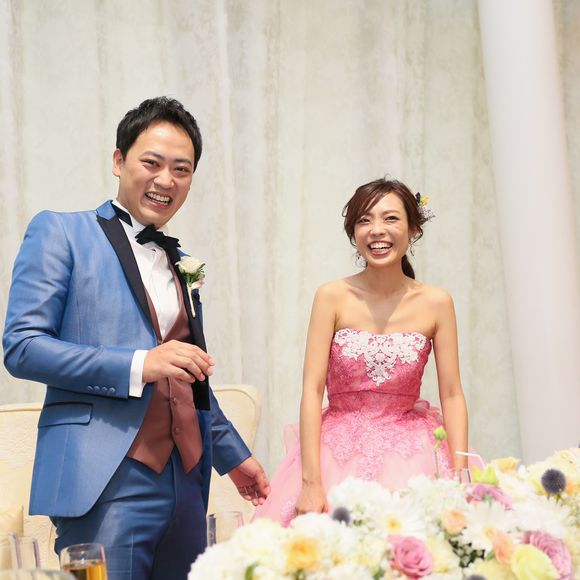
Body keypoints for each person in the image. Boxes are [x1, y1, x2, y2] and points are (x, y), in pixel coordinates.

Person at [3, 96, 269, 579]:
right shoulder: (61, 231)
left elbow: (186, 375)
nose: (166, 180)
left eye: (181, 169)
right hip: (104, 478)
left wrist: (234, 455)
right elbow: (23, 346)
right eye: (152, 163)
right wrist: (138, 364)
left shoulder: (181, 261)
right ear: (118, 161)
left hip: (187, 480)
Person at [254, 177, 473, 525]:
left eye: (390, 218)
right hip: (337, 453)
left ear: (413, 229)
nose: (376, 230)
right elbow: (311, 389)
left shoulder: (437, 303)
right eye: (364, 220)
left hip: (413, 454)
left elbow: (452, 393)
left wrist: (461, 474)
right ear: (354, 233)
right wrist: (311, 482)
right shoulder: (332, 296)